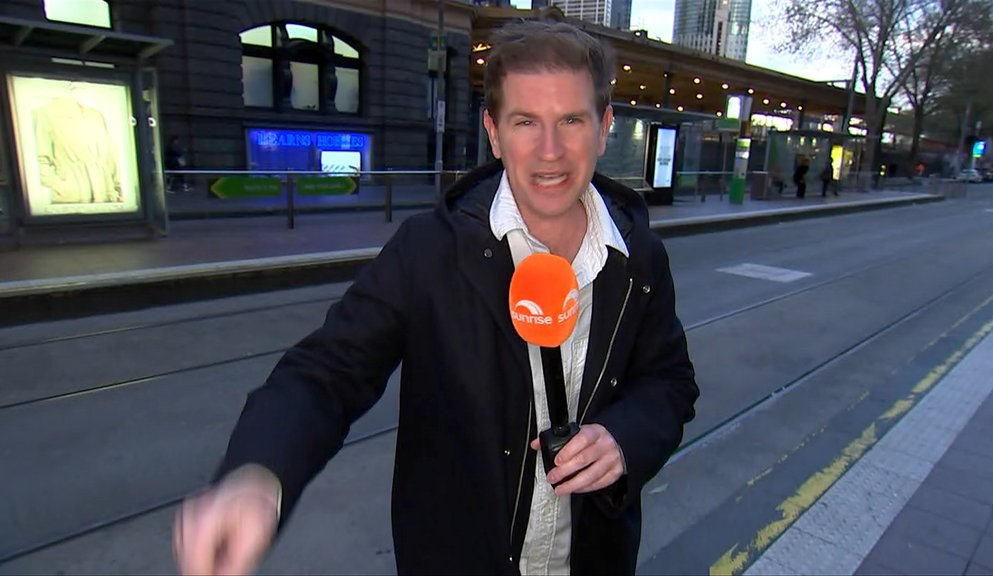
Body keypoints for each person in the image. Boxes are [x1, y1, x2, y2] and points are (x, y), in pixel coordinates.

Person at [173, 20, 699, 576]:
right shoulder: (430, 250)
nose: (550, 151)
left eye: (571, 120)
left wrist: (624, 437)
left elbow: (669, 382)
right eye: (525, 122)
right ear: (494, 132)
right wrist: (258, 474)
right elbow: (327, 370)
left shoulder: (639, 258)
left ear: (604, 127)